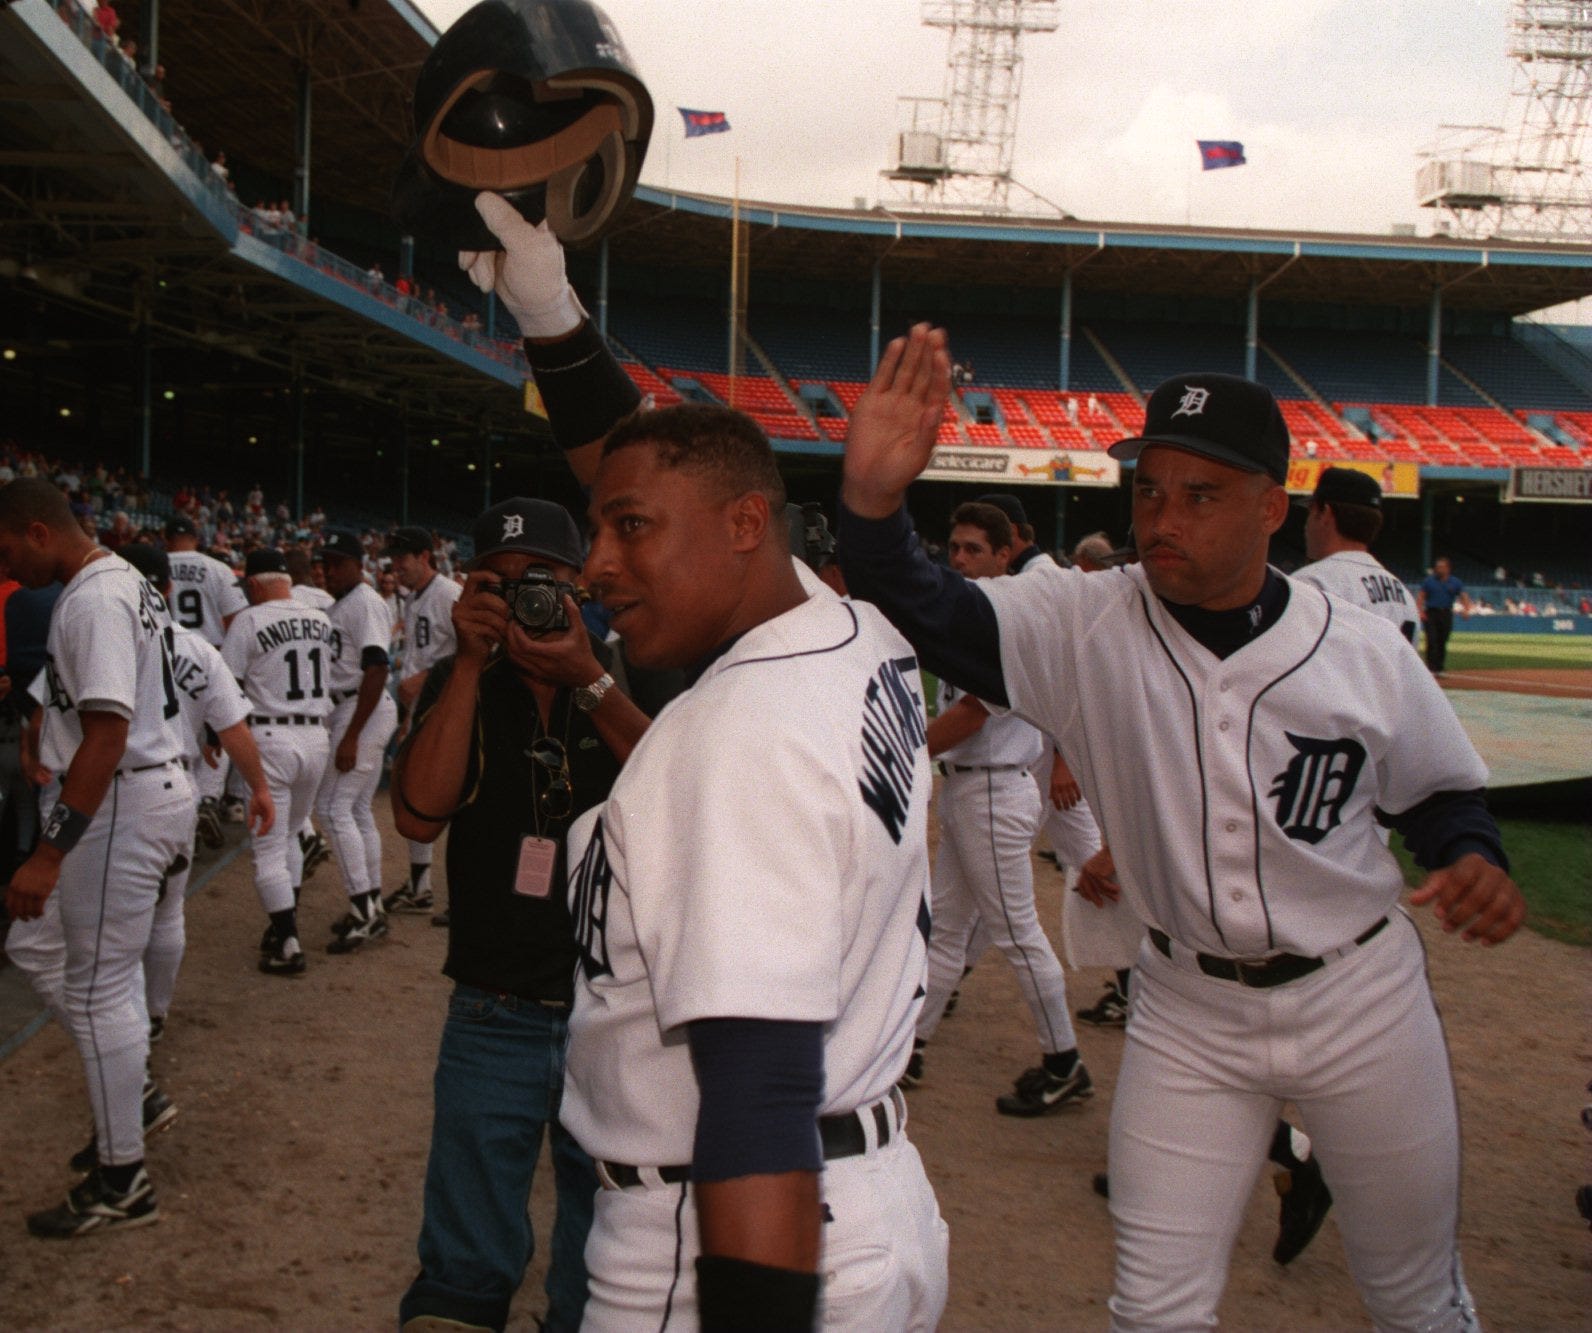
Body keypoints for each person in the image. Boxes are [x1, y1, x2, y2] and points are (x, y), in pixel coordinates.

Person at [839, 346, 1525, 1331]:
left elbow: (1437, 794)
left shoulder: (1356, 644)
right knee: (1151, 1309)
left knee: (1415, 1298)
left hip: (1360, 1000)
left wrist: (1472, 856)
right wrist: (870, 506)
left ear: (1269, 507)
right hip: (1186, 1012)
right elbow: (928, 609)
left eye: (1198, 495)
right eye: (1148, 490)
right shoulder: (1085, 620)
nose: (1159, 519)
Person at [547, 404, 948, 1330]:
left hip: (724, 1234)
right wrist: (550, 322)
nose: (596, 563)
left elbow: (758, 1083)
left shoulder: (735, 732)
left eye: (630, 526)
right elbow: (696, 459)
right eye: (599, 527)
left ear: (745, 525)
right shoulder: (851, 629)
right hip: (874, 1196)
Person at [391, 497, 648, 1333]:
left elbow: (684, 796)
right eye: (496, 585)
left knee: (601, 1264)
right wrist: (465, 666)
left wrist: (588, 676)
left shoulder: (631, 663)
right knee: (463, 1264)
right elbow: (418, 816)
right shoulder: (461, 679)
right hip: (492, 1001)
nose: (519, 601)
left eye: (537, 581)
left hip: (609, 1013)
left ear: (579, 583)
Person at [0, 479, 195, 1237]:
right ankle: (133, 1090)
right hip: (139, 788)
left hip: (123, 796)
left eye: (10, 547)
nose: (9, 564)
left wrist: (49, 853)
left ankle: (124, 1177)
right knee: (34, 944)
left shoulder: (93, 597)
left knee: (97, 988)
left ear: (42, 531)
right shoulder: (117, 581)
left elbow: (107, 734)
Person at [906, 500, 1091, 1116]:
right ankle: (911, 1045)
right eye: (953, 548)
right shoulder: (981, 612)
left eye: (974, 550)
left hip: (993, 786)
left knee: (1017, 934)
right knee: (948, 927)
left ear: (1006, 552)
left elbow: (970, 715)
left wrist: (902, 747)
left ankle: (1063, 1059)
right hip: (972, 787)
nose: (959, 559)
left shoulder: (1006, 618)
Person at [221, 548, 336, 976]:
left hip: (270, 736)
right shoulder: (321, 618)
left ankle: (287, 941)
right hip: (316, 735)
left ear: (254, 584)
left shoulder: (249, 620)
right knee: (289, 834)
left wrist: (216, 739)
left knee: (268, 845)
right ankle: (283, 923)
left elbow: (227, 688)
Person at [315, 529, 399, 953]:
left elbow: (377, 669)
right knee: (358, 810)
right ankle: (373, 907)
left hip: (361, 709)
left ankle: (364, 910)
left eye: (336, 563)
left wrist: (350, 735)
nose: (328, 571)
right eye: (325, 563)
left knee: (332, 809)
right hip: (356, 707)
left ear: (356, 564)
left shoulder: (364, 602)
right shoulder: (344, 604)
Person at [383, 526, 461, 919]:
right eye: (393, 558)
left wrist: (426, 679)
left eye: (403, 557)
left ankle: (463, 897)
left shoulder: (448, 594)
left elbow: (478, 650)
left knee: (457, 802)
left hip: (448, 711)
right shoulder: (413, 598)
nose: (396, 565)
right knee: (414, 793)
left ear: (425, 556)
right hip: (421, 710)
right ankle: (419, 887)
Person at [1295, 467, 1417, 643]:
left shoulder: (1311, 583)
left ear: (1325, 513)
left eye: (1310, 511)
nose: (1306, 525)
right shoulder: (1403, 594)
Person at [1417, 555, 1471, 674]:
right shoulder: (1429, 581)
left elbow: (1464, 596)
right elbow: (1421, 596)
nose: (1438, 569)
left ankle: (1440, 667)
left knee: (1443, 640)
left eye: (1441, 567)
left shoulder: (1455, 582)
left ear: (1448, 568)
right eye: (1437, 567)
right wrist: (1420, 611)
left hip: (1446, 613)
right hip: (1431, 613)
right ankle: (1431, 667)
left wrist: (1466, 609)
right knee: (1431, 639)